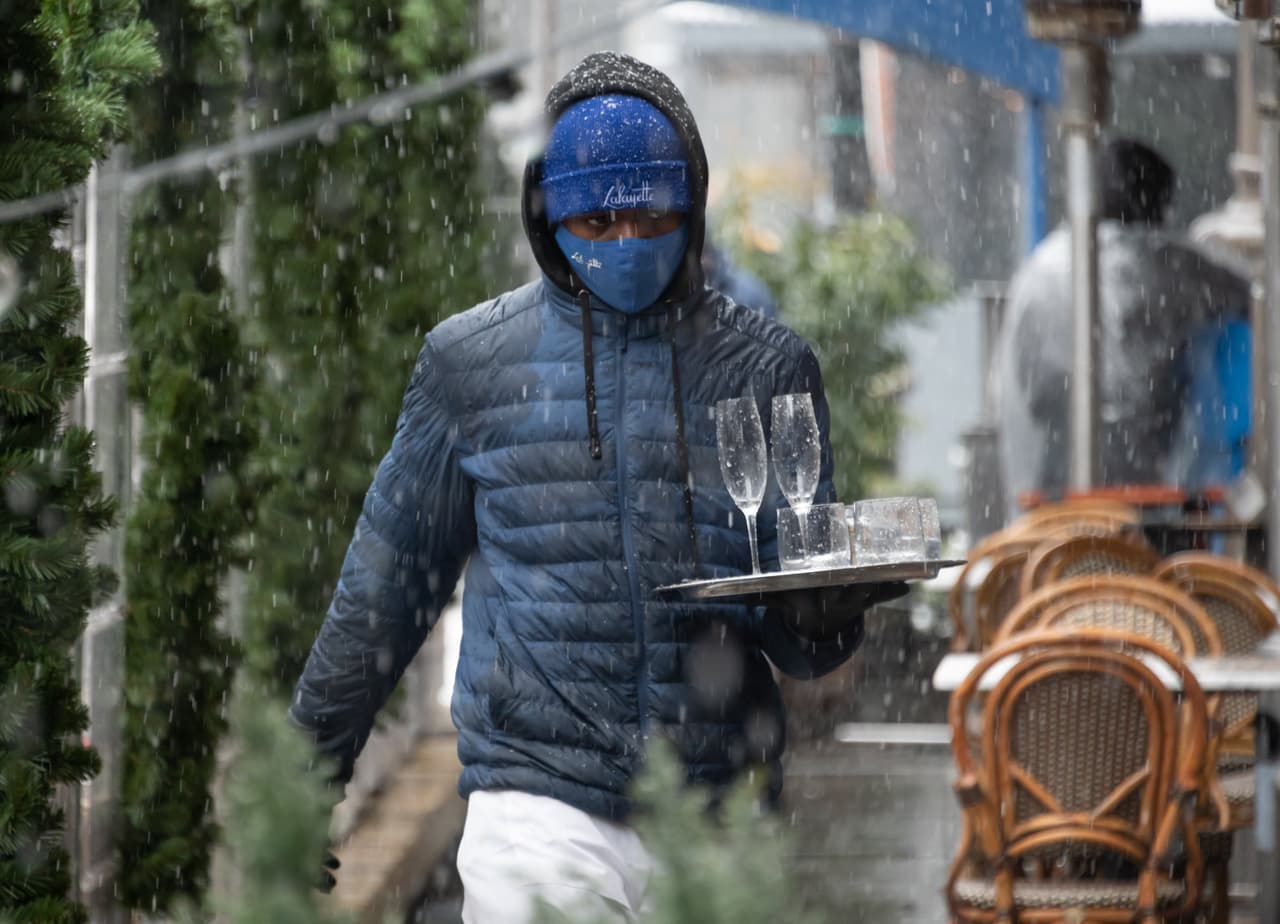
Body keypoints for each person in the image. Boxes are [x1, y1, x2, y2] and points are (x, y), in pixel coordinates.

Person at [289, 51, 905, 923]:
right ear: (550, 214)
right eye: (597, 218)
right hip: (536, 800)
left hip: (716, 807)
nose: (625, 241)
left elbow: (803, 635)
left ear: (691, 204)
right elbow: (385, 584)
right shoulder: (471, 365)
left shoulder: (767, 367)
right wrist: (310, 769)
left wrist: (825, 615)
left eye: (650, 214)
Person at [994, 137, 1251, 519]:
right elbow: (1252, 294)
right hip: (1137, 495)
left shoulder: (1039, 266)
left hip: (1043, 494)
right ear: (1157, 204)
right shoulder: (1157, 260)